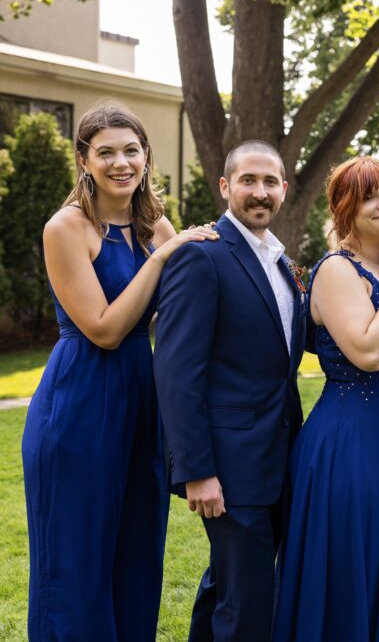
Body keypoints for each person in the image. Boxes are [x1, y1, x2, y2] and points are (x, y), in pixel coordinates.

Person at [22, 101, 218, 640]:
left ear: (146, 156)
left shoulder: (156, 225)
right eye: (105, 152)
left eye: (131, 150)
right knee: (75, 566)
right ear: (84, 159)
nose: (121, 163)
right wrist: (161, 256)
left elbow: (172, 319)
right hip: (79, 400)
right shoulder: (67, 227)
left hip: (141, 399)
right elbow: (105, 328)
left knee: (136, 558)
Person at [154, 140, 305, 642]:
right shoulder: (201, 257)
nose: (259, 192)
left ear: (283, 189)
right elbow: (177, 372)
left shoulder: (281, 264)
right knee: (247, 605)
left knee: (228, 587)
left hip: (279, 457)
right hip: (229, 465)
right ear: (225, 187)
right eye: (248, 181)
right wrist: (196, 470)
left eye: (269, 182)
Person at [272, 156, 379, 641]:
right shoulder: (338, 269)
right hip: (348, 445)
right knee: (348, 571)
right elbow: (370, 351)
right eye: (368, 196)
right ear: (344, 208)